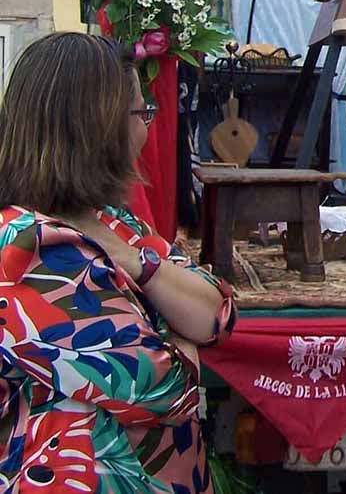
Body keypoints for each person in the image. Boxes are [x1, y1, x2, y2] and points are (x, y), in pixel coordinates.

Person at [0, 32, 237, 493]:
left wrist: (136, 261)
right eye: (141, 112)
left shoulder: (113, 223)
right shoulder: (30, 249)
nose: (147, 127)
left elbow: (218, 312)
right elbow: (164, 388)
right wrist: (175, 325)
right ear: (98, 127)